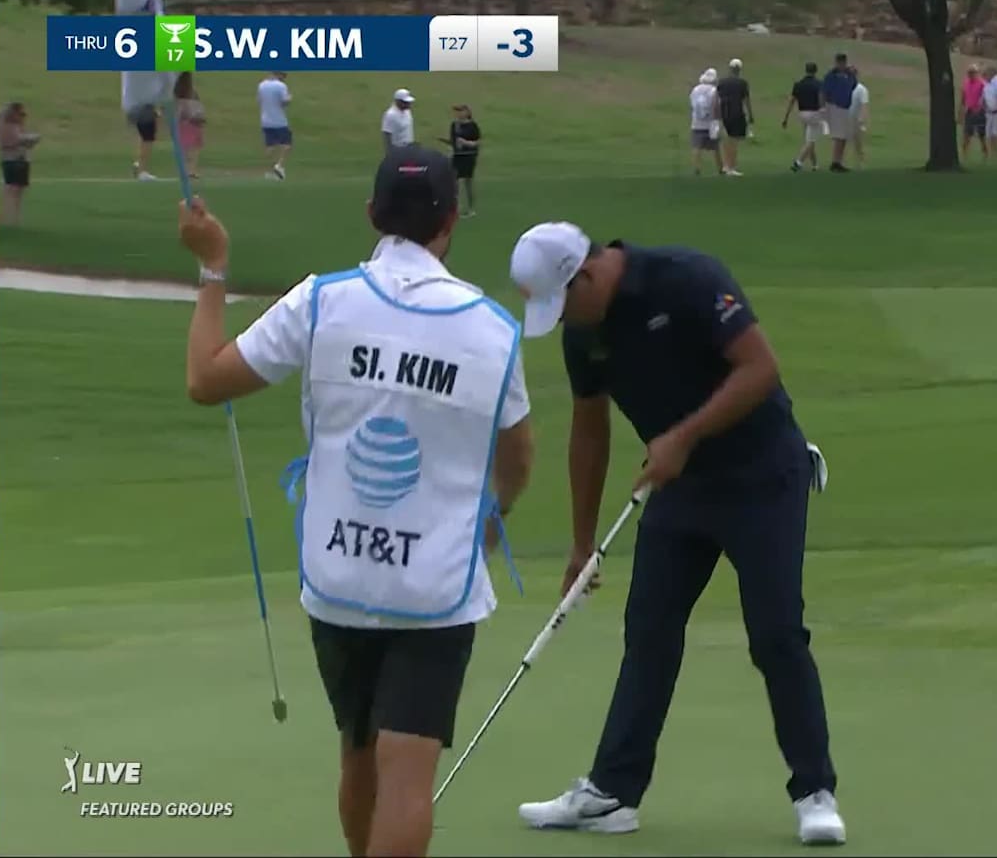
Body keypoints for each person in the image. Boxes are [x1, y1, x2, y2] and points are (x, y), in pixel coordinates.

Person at [175, 145, 535, 858]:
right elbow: (517, 460)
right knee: (407, 776)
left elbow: (206, 380)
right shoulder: (492, 328)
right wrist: (492, 521)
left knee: (358, 752)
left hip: (338, 576)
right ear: (451, 221)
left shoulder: (323, 299)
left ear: (372, 214)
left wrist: (213, 267)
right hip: (434, 587)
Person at [508, 225, 846, 847]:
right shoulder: (583, 332)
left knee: (775, 633)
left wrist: (683, 437)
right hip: (680, 487)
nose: (561, 323)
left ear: (584, 273)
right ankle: (613, 794)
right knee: (649, 634)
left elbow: (760, 370)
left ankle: (814, 791)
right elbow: (589, 431)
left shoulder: (686, 278)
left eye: (562, 304)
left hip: (764, 476)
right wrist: (581, 543)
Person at [0, 102, 40, 226]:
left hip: (13, 159)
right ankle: (11, 218)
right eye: (20, 114)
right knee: (14, 190)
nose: (22, 118)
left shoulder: (5, 124)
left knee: (13, 189)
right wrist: (32, 138)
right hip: (17, 159)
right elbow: (16, 140)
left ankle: (11, 218)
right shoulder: (9, 126)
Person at [782, 62, 825, 172]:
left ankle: (815, 165)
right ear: (815, 71)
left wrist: (786, 118)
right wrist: (823, 112)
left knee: (809, 138)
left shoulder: (798, 84)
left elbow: (792, 101)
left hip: (802, 114)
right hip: (814, 113)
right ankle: (798, 162)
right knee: (811, 140)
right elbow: (821, 99)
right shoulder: (819, 84)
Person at [441, 104, 481, 217]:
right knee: (454, 182)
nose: (458, 114)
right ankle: (456, 207)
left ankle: (471, 208)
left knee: (468, 182)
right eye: (457, 111)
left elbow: (477, 142)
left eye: (461, 111)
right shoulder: (454, 125)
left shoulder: (472, 126)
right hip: (457, 156)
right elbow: (453, 141)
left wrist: (466, 143)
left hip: (468, 156)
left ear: (467, 113)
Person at [716, 59, 753, 176]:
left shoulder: (722, 82)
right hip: (736, 113)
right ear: (739, 70)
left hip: (724, 113)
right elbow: (746, 100)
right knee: (734, 141)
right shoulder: (742, 83)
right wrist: (751, 115)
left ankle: (726, 165)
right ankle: (731, 167)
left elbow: (717, 99)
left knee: (727, 140)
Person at [821, 53, 856, 172]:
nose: (841, 65)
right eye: (839, 62)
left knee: (844, 136)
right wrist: (823, 108)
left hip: (846, 107)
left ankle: (838, 161)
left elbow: (853, 85)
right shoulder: (831, 75)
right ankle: (835, 162)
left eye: (843, 62)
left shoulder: (849, 74)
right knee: (839, 135)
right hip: (834, 106)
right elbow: (824, 92)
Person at [257, 71, 292, 180]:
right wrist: (289, 98)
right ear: (278, 74)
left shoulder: (261, 85)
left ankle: (272, 170)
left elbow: (259, 101)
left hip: (265, 120)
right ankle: (279, 165)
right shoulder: (281, 86)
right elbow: (285, 102)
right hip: (279, 120)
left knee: (270, 146)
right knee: (287, 145)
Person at [688, 69, 722, 176]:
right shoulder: (714, 90)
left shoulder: (695, 89)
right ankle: (720, 169)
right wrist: (718, 120)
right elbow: (716, 105)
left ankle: (697, 169)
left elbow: (692, 104)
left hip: (696, 123)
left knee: (696, 147)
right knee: (715, 148)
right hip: (710, 123)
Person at [174, 72, 206, 179]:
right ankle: (190, 170)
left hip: (186, 122)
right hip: (192, 122)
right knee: (192, 147)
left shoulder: (179, 93)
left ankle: (187, 170)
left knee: (186, 148)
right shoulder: (189, 93)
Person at [960, 64, 988, 162]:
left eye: (973, 72)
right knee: (966, 135)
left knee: (982, 136)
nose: (971, 74)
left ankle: (986, 156)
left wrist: (982, 108)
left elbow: (986, 98)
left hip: (980, 112)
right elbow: (963, 99)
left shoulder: (982, 84)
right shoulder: (966, 83)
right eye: (970, 72)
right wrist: (961, 113)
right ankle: (964, 157)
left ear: (977, 73)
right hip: (970, 111)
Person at [848, 66, 870, 169]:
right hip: (844, 119)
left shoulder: (861, 89)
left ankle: (860, 164)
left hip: (856, 120)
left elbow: (864, 105)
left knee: (858, 144)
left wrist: (862, 119)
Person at [382, 88, 416, 153]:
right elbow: (387, 134)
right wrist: (389, 152)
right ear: (398, 101)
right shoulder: (390, 115)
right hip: (398, 150)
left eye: (408, 102)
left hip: (409, 148)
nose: (408, 104)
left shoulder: (407, 111)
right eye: (405, 102)